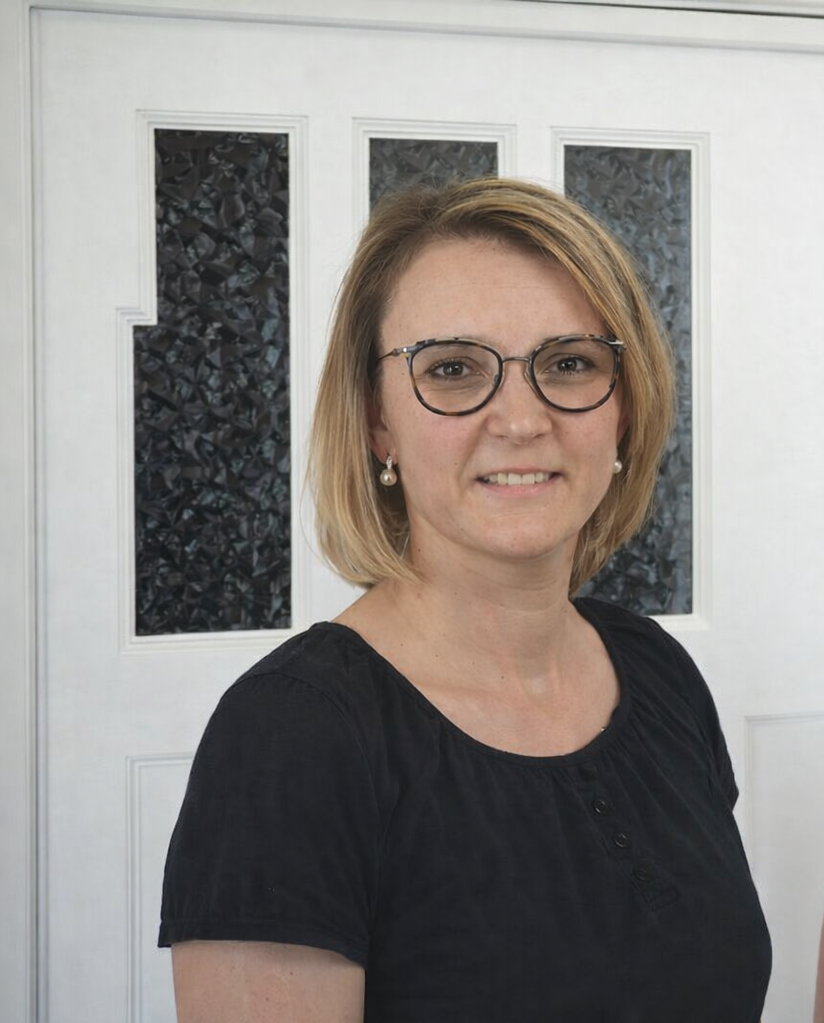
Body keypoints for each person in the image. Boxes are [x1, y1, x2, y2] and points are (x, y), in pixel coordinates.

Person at [158, 177, 771, 1022]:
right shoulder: (288, 740)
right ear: (377, 422)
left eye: (570, 363)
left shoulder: (657, 670)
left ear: (624, 408)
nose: (520, 420)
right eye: (451, 368)